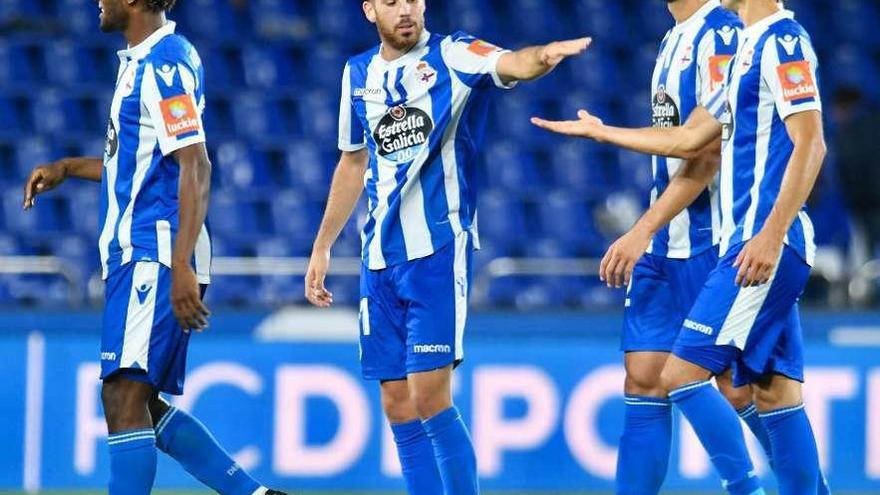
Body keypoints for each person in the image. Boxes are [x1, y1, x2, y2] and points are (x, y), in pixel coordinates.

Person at [533, 0, 828, 493]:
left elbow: (799, 144)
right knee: (757, 392)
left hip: (739, 242)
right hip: (719, 242)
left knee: (702, 381)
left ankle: (748, 487)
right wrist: (601, 131)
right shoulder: (715, 43)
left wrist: (771, 234)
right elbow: (690, 134)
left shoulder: (761, 38)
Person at [304, 1, 590, 493]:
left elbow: (511, 63)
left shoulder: (453, 54)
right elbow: (353, 163)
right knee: (396, 401)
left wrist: (541, 55)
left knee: (430, 396)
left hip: (437, 248)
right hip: (379, 258)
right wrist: (323, 245)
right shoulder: (356, 74)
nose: (405, 10)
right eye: (391, 2)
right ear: (370, 10)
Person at [23, 1, 286, 494]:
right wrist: (68, 167)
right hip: (140, 252)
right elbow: (140, 164)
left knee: (123, 396)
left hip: (156, 251)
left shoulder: (165, 64)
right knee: (140, 400)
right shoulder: (141, 62)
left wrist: (181, 263)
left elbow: (196, 164)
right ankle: (253, 494)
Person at [587, 1, 772, 493]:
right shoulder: (675, 37)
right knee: (643, 377)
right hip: (666, 246)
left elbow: (705, 152)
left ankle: (792, 486)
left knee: (739, 391)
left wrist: (640, 229)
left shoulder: (721, 35)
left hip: (713, 243)